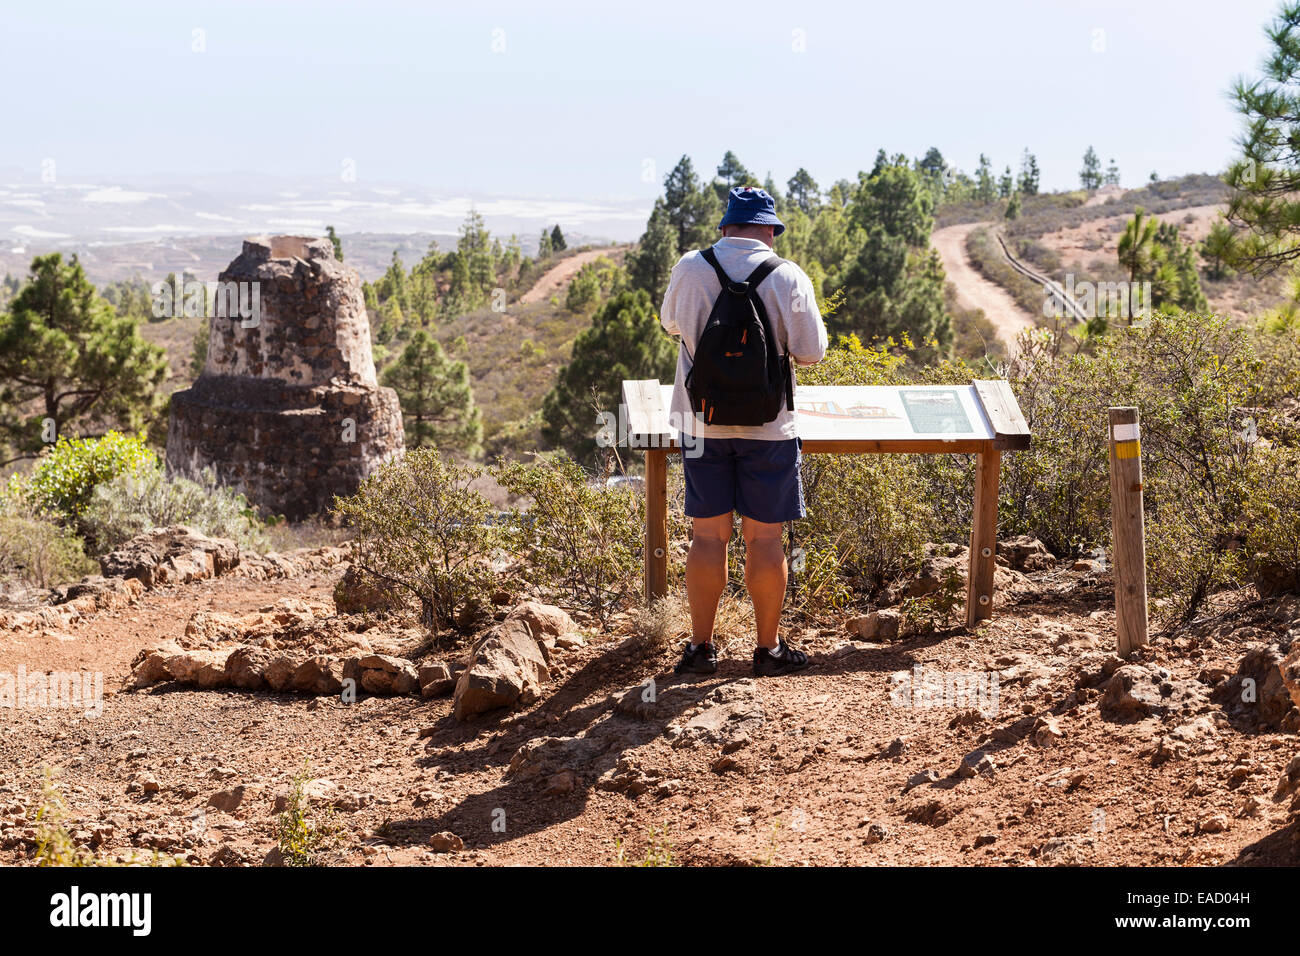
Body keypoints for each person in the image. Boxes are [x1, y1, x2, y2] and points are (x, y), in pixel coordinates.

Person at [659, 186, 828, 677]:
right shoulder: (787, 275)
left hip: (699, 423)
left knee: (707, 538)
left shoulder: (691, 267)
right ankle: (768, 649)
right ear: (771, 230)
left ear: (726, 226)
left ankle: (700, 649)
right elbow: (811, 352)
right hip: (770, 429)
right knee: (766, 541)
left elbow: (672, 324)